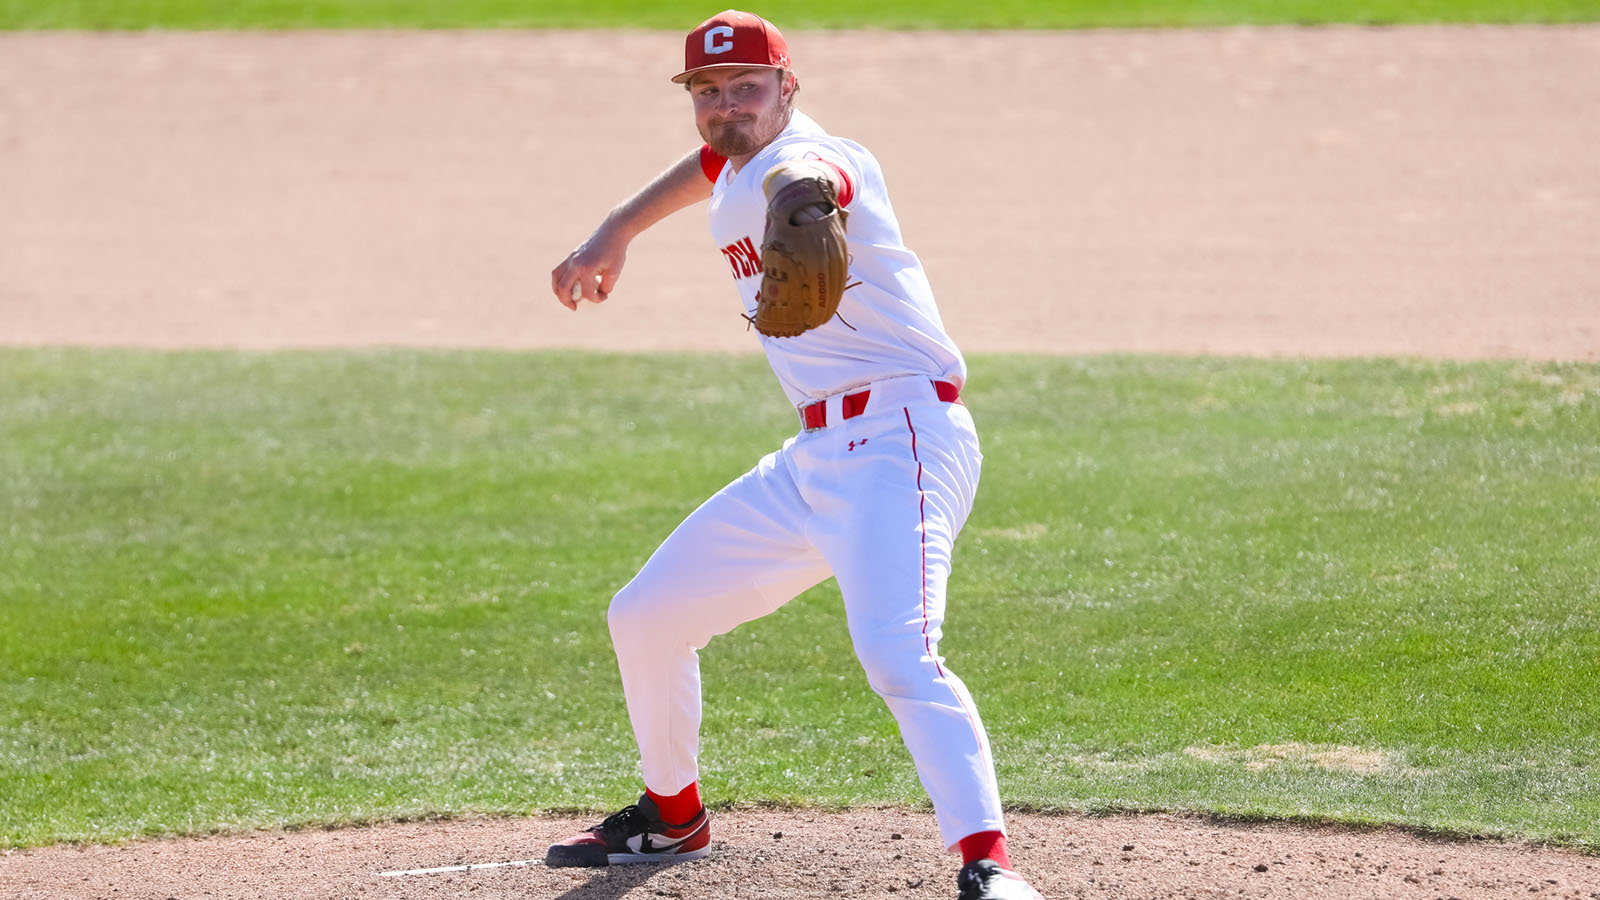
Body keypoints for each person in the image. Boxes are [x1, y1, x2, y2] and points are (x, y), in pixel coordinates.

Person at [545, 11, 1043, 900]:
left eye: (747, 88)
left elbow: (815, 174)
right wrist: (615, 229)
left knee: (899, 656)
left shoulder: (818, 157)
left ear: (789, 89)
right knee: (646, 614)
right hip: (813, 461)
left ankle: (989, 867)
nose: (727, 107)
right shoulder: (732, 156)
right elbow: (715, 165)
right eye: (708, 92)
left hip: (903, 442)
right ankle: (674, 817)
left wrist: (802, 201)